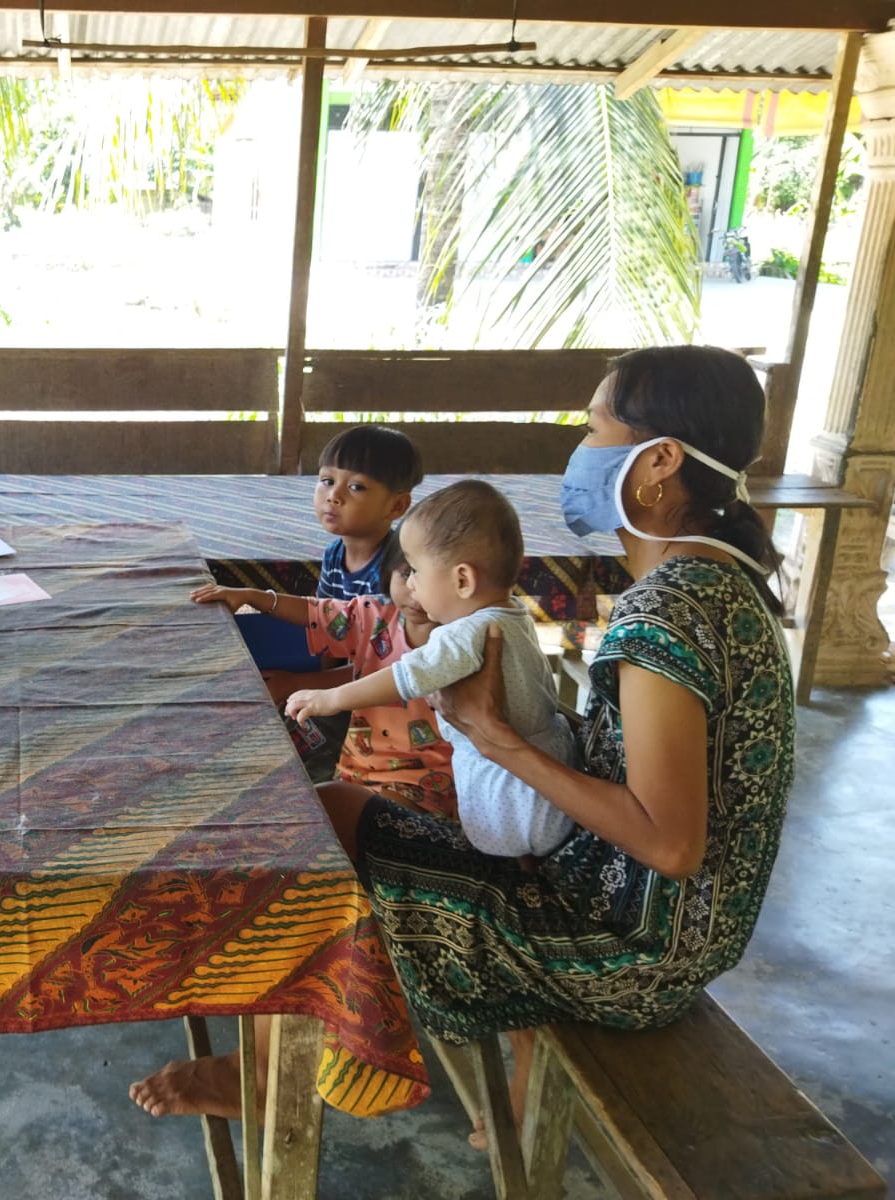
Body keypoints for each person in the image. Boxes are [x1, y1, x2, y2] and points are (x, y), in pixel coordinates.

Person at [132, 345, 794, 1129]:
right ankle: (321, 1049)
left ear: (658, 463)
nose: (579, 450)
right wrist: (527, 724)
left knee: (320, 843)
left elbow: (672, 845)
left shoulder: (666, 613)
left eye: (594, 428)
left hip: (625, 946)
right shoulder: (720, 586)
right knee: (335, 810)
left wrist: (497, 736)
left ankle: (283, 1071)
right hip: (647, 915)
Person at [286, 480, 577, 858]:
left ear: (462, 580)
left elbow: (407, 675)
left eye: (416, 572)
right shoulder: (513, 616)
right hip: (548, 775)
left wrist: (332, 698)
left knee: (497, 852)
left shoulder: (466, 633)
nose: (411, 584)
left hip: (510, 790)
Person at [192, 536, 456, 819]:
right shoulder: (377, 614)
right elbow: (318, 612)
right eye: (407, 574)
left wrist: (325, 696)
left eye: (434, 579)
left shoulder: (464, 643)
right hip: (358, 767)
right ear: (389, 571)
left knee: (365, 819)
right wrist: (252, 596)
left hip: (427, 784)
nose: (416, 591)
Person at [258, 425, 424, 781]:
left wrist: (296, 684)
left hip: (380, 703)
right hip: (337, 683)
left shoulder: (397, 575)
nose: (333, 496)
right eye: (326, 481)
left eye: (356, 487)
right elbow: (326, 629)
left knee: (291, 754)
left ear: (396, 505)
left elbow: (387, 669)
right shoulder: (336, 553)